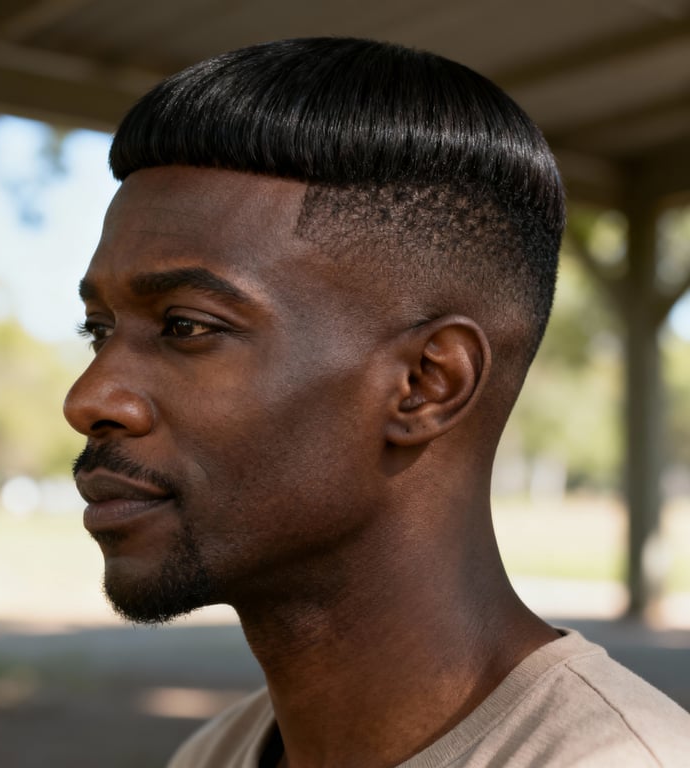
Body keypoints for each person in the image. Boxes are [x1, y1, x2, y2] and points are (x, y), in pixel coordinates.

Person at [63, 37, 690, 768]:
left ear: (428, 384)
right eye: (97, 331)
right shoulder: (214, 754)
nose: (91, 398)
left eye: (187, 327)